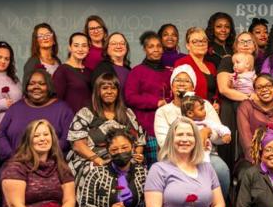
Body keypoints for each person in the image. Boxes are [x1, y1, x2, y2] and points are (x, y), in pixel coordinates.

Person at [144, 117, 230, 207]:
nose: (185, 139)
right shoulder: (158, 169)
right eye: (179, 135)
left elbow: (219, 204)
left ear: (196, 140)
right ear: (171, 139)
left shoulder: (207, 168)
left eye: (189, 135)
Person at [0, 120, 76, 207]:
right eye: (36, 135)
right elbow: (16, 206)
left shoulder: (62, 167)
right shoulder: (15, 168)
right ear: (28, 140)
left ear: (52, 138)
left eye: (46, 134)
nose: (42, 139)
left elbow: (69, 200)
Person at [71, 130, 150, 207]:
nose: (120, 152)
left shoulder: (143, 173)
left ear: (133, 148)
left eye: (124, 147)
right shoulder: (96, 173)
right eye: (114, 150)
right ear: (108, 151)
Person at [154, 65, 230, 194]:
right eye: (177, 80)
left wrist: (208, 132)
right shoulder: (163, 111)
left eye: (187, 80)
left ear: (193, 86)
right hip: (174, 155)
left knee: (221, 169)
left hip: (206, 153)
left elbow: (220, 139)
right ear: (172, 85)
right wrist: (199, 136)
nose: (181, 83)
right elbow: (163, 142)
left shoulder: (204, 105)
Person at [67, 73, 146, 177]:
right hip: (94, 162)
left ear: (118, 92)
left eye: (113, 88)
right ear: (98, 91)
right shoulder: (86, 113)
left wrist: (136, 156)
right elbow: (78, 145)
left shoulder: (128, 113)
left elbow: (139, 141)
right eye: (105, 88)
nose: (109, 91)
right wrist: (99, 161)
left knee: (140, 172)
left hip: (125, 161)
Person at [0, 69, 74, 161]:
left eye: (41, 84)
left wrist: (43, 155)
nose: (36, 87)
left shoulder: (63, 109)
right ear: (26, 87)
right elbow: (1, 134)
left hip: (50, 165)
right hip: (15, 163)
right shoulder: (15, 108)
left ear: (49, 86)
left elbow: (67, 139)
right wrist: (12, 155)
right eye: (31, 84)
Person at [125, 31, 172, 165]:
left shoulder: (169, 72)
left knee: (168, 165)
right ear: (145, 49)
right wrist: (156, 102)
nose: (155, 50)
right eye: (151, 46)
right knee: (153, 166)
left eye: (159, 46)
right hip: (147, 126)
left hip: (167, 126)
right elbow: (130, 97)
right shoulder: (137, 71)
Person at [216, 31, 259, 173]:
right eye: (241, 41)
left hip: (253, 109)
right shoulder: (229, 61)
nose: (245, 45)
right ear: (235, 45)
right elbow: (224, 89)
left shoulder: (259, 64)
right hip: (231, 107)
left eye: (249, 41)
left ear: (255, 46)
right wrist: (248, 97)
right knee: (230, 145)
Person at [237, 74, 273, 164]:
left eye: (269, 86)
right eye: (259, 87)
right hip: (252, 158)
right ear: (255, 91)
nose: (264, 89)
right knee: (252, 174)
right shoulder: (246, 106)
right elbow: (245, 138)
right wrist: (256, 159)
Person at [52, 32, 93, 113]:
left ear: (88, 49)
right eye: (76, 45)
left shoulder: (89, 71)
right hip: (70, 119)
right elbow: (56, 101)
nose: (80, 49)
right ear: (70, 48)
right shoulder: (62, 71)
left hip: (89, 119)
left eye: (84, 46)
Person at [175, 27, 218, 101]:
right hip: (192, 109)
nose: (201, 44)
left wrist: (217, 103)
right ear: (188, 46)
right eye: (195, 41)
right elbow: (179, 92)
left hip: (212, 110)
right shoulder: (182, 63)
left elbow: (216, 92)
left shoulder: (211, 66)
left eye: (204, 41)